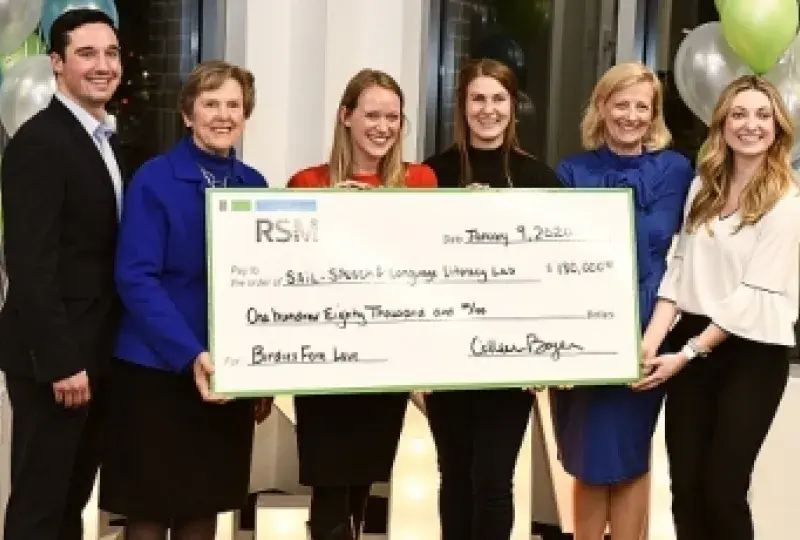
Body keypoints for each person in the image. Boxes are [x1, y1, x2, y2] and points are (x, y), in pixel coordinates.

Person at [98, 61, 272, 540]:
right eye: (210, 103)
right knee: (150, 514)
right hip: (156, 372)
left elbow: (265, 283)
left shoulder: (254, 185)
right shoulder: (154, 179)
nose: (223, 115)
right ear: (187, 113)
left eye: (233, 105)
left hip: (227, 377)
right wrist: (190, 354)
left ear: (246, 114)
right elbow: (135, 279)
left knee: (204, 508)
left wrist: (264, 371)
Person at [633, 75, 800, 540]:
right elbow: (678, 271)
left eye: (762, 115)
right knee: (685, 488)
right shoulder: (703, 187)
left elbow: (750, 297)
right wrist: (647, 344)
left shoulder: (787, 201)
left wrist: (684, 355)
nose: (751, 125)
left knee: (722, 492)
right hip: (694, 342)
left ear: (778, 127)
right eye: (740, 114)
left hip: (751, 352)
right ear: (722, 125)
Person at [287, 68, 436, 540]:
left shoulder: (421, 182)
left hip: (385, 363)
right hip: (325, 363)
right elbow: (288, 274)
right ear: (345, 116)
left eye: (393, 117)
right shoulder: (307, 183)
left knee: (364, 481)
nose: (383, 126)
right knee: (329, 484)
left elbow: (429, 268)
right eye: (372, 114)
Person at [421, 58, 562, 540]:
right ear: (461, 104)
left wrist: (542, 353)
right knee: (454, 477)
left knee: (494, 482)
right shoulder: (428, 176)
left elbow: (554, 276)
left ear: (513, 106)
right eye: (478, 98)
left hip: (512, 362)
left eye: (498, 99)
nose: (488, 109)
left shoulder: (541, 180)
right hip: (445, 357)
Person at [552, 62, 694, 539]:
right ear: (601, 106)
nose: (631, 115)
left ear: (654, 114)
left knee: (631, 456)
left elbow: (684, 255)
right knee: (588, 461)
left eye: (642, 106)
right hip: (584, 329)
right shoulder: (572, 171)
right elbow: (557, 262)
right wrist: (565, 345)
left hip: (646, 329)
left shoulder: (676, 170)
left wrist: (651, 338)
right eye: (621, 104)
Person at [0, 10, 125, 539]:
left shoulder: (105, 141)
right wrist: (62, 362)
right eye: (87, 54)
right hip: (55, 364)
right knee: (40, 507)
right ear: (56, 64)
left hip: (93, 354)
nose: (103, 66)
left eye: (112, 53)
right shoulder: (40, 141)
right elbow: (29, 263)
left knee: (70, 502)